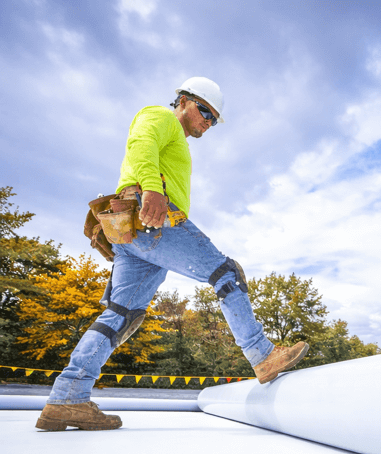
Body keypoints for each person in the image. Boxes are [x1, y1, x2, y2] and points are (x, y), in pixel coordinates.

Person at [35, 77, 308, 431]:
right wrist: (151, 188)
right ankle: (263, 355)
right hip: (153, 220)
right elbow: (141, 142)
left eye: (214, 119)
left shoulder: (179, 139)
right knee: (226, 273)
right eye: (205, 111)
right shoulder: (160, 117)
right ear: (183, 100)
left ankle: (67, 398)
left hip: (131, 233)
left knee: (121, 315)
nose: (208, 123)